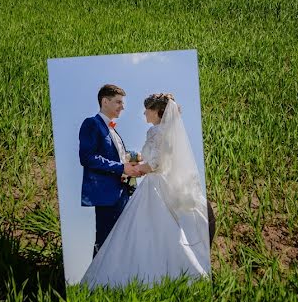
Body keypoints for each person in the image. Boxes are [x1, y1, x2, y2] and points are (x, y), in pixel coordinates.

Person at [81, 93, 211, 288]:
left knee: (144, 231)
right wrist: (135, 164)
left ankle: (135, 277)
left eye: (147, 109)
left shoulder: (155, 132)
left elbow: (157, 162)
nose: (144, 112)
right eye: (118, 102)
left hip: (153, 184)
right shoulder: (166, 132)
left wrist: (137, 169)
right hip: (158, 182)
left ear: (157, 112)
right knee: (159, 231)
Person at [78, 84, 145, 257]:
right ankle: (96, 282)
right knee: (105, 241)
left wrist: (134, 157)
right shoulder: (92, 123)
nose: (123, 107)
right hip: (106, 194)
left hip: (123, 193)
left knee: (122, 241)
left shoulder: (112, 129)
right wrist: (122, 167)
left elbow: (117, 155)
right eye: (118, 102)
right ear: (105, 101)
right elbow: (87, 157)